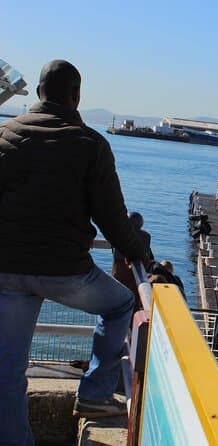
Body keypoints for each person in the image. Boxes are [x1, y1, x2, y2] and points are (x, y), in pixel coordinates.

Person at [0, 60, 149, 443]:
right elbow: (113, 218)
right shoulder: (89, 144)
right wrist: (138, 254)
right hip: (64, 271)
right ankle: (94, 395)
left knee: (8, 373)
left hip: (6, 270)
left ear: (37, 94)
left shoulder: (3, 135)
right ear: (76, 96)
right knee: (120, 305)